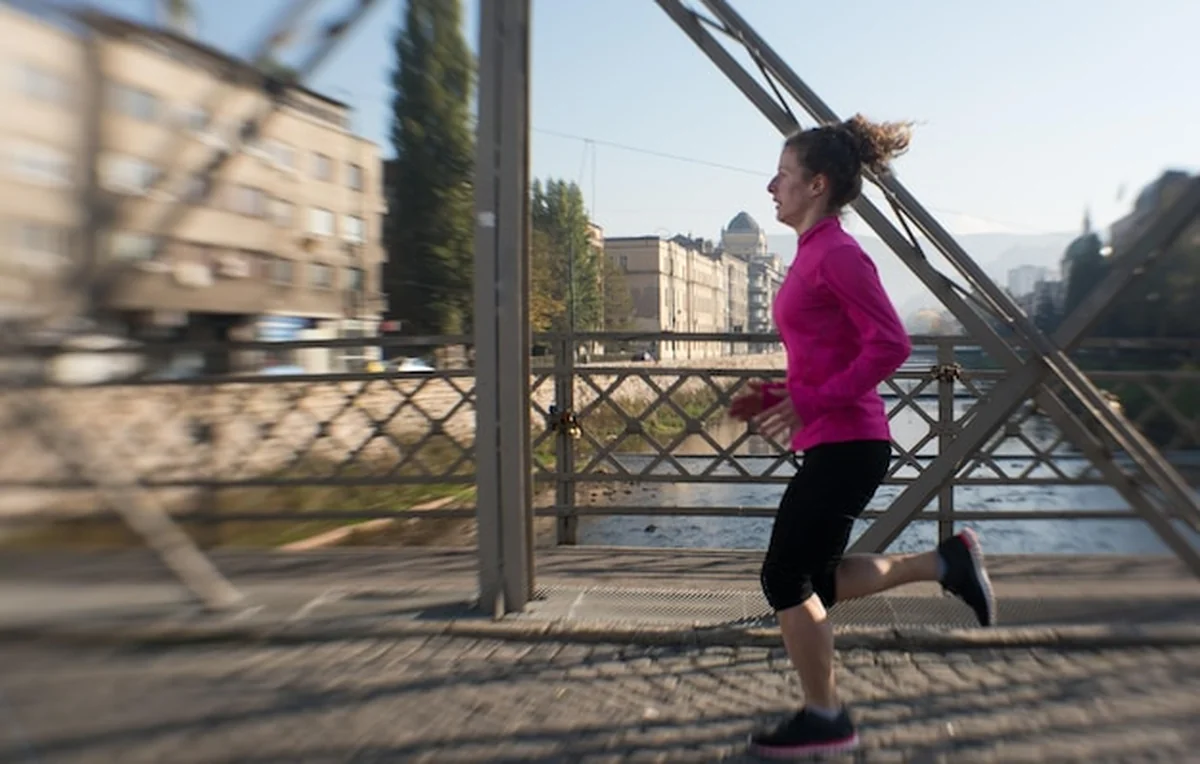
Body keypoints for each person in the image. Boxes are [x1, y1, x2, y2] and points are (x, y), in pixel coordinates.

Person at [727, 115, 996, 759]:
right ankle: (944, 562)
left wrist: (807, 401)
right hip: (833, 438)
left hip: (850, 442)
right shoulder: (814, 252)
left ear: (816, 184)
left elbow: (891, 345)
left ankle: (827, 718)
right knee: (814, 579)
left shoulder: (840, 254)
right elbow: (828, 350)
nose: (772, 186)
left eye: (784, 176)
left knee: (784, 578)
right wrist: (778, 399)